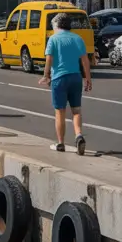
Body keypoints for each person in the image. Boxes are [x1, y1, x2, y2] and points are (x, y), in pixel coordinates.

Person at [39, 11, 92, 154]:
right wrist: (88, 78)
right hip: (75, 77)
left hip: (59, 79)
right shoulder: (77, 38)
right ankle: (79, 135)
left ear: (57, 25)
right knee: (76, 110)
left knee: (60, 112)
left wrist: (46, 75)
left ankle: (61, 143)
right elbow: (85, 60)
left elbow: (49, 59)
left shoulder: (53, 39)